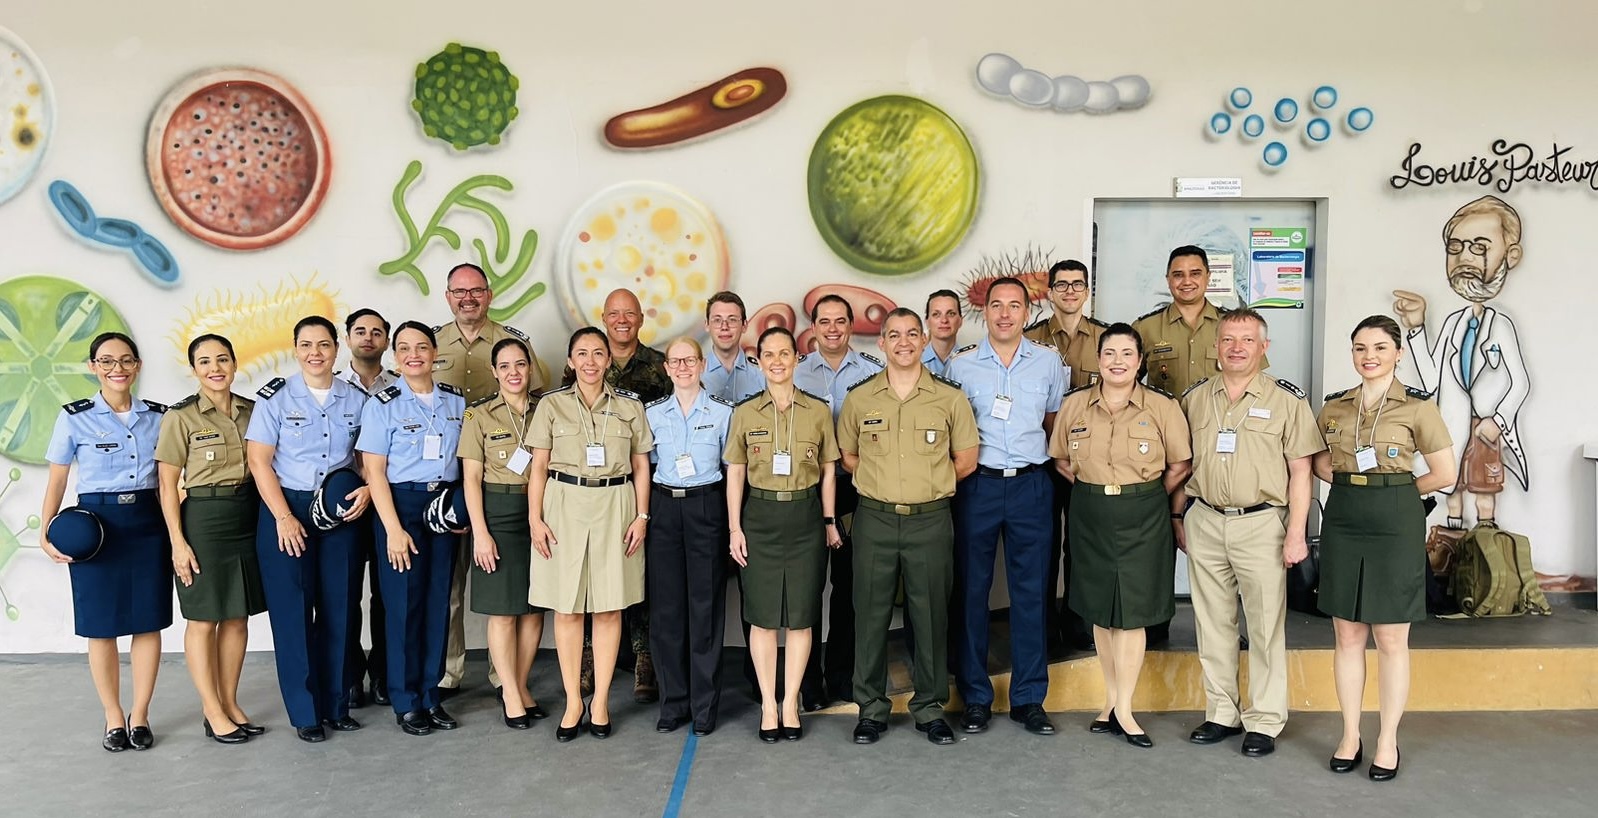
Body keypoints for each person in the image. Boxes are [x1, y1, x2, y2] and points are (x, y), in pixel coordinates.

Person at [1314, 315, 1455, 781]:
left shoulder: (1418, 408)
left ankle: (1388, 738)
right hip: (1345, 513)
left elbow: (1444, 472)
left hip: (1395, 517)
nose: (1368, 356)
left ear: (1397, 352)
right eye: (1359, 348)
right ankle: (1350, 734)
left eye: (1378, 347)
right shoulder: (1335, 407)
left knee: (1391, 638)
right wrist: (1356, 487)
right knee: (1347, 633)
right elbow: (1318, 462)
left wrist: (1397, 493)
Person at [1175, 308, 1321, 758]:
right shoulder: (1195, 398)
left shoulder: (1286, 400)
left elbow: (1302, 473)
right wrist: (1179, 517)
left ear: (1264, 347)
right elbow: (1181, 465)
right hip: (1205, 518)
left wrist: (1297, 532)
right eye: (1228, 340)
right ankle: (1221, 712)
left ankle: (1264, 719)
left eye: (1247, 339)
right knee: (1212, 621)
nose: (1236, 347)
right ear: (1216, 347)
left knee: (1263, 624)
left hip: (1261, 523)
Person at [1048, 323, 1192, 748]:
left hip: (1144, 512)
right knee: (1101, 610)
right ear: (1098, 360)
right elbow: (1060, 460)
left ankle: (1125, 709)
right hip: (1090, 511)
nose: (1117, 362)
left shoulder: (1162, 407)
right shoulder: (1075, 406)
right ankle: (1110, 702)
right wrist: (1098, 490)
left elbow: (1181, 464)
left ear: (1140, 361)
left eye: (1127, 354)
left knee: (1131, 612)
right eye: (1109, 353)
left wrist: (1145, 496)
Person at [838, 309, 978, 745]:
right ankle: (871, 708)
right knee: (870, 614)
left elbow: (966, 460)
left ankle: (930, 707)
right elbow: (849, 456)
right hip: (875, 519)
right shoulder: (860, 398)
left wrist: (926, 486)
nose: (902, 342)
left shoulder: (949, 398)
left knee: (931, 614)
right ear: (881, 343)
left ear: (922, 341)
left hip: (930, 521)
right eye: (893, 335)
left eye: (911, 334)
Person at [946, 277, 1066, 738]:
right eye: (997, 306)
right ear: (985, 312)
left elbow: (1053, 421)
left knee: (1032, 593)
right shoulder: (961, 367)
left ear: (1026, 311)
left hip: (1032, 486)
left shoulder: (1048, 363)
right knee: (972, 592)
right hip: (977, 486)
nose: (1004, 314)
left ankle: (1029, 698)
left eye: (1014, 306)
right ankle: (975, 698)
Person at [40, 332, 171, 752]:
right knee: (102, 627)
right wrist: (46, 532)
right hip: (95, 528)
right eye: (108, 361)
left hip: (149, 522)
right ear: (93, 366)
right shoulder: (74, 418)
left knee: (148, 621)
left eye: (127, 360)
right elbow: (58, 477)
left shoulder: (159, 416)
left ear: (137, 366)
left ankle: (140, 714)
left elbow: (172, 480)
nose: (118, 368)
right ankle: (114, 717)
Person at [245, 316, 372, 742]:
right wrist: (283, 517)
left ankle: (336, 705)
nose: (315, 352)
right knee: (293, 614)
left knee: (340, 609)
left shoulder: (356, 399)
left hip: (339, 511)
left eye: (323, 344)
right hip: (288, 509)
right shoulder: (276, 399)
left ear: (337, 349)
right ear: (295, 350)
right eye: (306, 345)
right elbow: (259, 461)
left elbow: (368, 457)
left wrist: (369, 489)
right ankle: (305, 712)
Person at [1133, 245, 1266, 647]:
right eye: (1178, 274)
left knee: (1226, 543)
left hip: (1218, 451)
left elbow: (1254, 379)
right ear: (1168, 279)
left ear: (1208, 277)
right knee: (1157, 540)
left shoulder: (1230, 326)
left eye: (1195, 273)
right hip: (1162, 454)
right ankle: (1154, 624)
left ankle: (1228, 631)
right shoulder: (1148, 329)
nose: (1186, 280)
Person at [527, 328, 653, 742]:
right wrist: (535, 519)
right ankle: (573, 701)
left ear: (606, 361)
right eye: (582, 353)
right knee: (566, 610)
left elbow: (640, 467)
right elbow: (539, 469)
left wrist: (641, 517)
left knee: (609, 608)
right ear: (570, 361)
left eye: (598, 353)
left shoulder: (630, 408)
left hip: (615, 505)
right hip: (563, 505)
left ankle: (599, 701)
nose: (591, 361)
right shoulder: (550, 406)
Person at [432, 262, 544, 698]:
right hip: (448, 478)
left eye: (476, 291)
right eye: (459, 292)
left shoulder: (512, 342)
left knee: (519, 594)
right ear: (448, 297)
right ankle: (450, 670)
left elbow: (539, 404)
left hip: (503, 478)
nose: (468, 298)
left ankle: (506, 678)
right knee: (452, 584)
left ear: (489, 294)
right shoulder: (433, 342)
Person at [727, 326, 843, 742]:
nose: (777, 362)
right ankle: (767, 703)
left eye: (785, 354)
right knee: (761, 618)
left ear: (797, 359)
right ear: (759, 361)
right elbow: (735, 473)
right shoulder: (744, 412)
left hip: (805, 517)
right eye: (769, 355)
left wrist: (829, 522)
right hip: (759, 517)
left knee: (800, 617)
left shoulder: (816, 410)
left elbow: (829, 470)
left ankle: (791, 701)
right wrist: (735, 527)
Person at [1391, 195, 1529, 530]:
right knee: (1451, 484)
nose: (1465, 257)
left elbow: (1520, 382)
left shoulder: (1501, 325)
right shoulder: (1454, 321)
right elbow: (1432, 379)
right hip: (1453, 424)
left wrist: (1498, 418)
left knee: (1484, 485)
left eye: (1480, 248)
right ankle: (1452, 538)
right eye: (1455, 247)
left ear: (1510, 256)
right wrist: (1417, 327)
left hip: (1485, 426)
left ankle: (1486, 541)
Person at [155, 334, 267, 745]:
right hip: (203, 520)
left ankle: (230, 701)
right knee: (204, 618)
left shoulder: (253, 412)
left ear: (235, 363)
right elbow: (167, 487)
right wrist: (178, 543)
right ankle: (211, 708)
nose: (215, 368)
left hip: (247, 514)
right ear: (194, 369)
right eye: (205, 362)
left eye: (222, 359)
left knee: (238, 615)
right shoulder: (180, 417)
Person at [357, 321, 467, 736]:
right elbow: (374, 472)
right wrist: (392, 530)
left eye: (422, 347)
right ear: (395, 356)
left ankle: (429, 693)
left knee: (439, 601)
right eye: (404, 348)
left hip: (441, 507)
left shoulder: (456, 402)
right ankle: (405, 700)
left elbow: (465, 462)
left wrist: (460, 512)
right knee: (404, 606)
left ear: (435, 352)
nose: (414, 354)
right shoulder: (383, 404)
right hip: (400, 506)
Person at [793, 293, 882, 708]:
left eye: (840, 321)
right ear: (813, 328)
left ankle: (844, 676)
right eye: (823, 321)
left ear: (851, 326)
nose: (832, 329)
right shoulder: (794, 374)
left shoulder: (873, 373)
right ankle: (808, 684)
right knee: (808, 588)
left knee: (849, 588)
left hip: (853, 489)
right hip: (808, 492)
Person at [644, 337, 735, 736]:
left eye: (689, 360)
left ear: (702, 365)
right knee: (666, 611)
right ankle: (673, 703)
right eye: (674, 361)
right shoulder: (652, 414)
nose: (682, 367)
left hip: (705, 507)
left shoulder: (721, 413)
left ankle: (704, 706)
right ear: (666, 368)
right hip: (665, 508)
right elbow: (643, 467)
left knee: (705, 609)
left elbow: (734, 469)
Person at [460, 337, 549, 730]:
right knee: (503, 611)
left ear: (530, 369)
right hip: (497, 512)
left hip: (542, 512)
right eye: (505, 366)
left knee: (533, 609)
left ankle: (522, 683)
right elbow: (471, 479)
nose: (514, 373)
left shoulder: (547, 409)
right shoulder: (478, 415)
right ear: (494, 372)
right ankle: (509, 692)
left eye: (520, 365)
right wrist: (480, 532)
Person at [1024, 259, 1107, 655]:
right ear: (1050, 292)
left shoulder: (1106, 339)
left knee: (1082, 546)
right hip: (1040, 459)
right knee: (1042, 547)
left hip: (1087, 464)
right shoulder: (1029, 339)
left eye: (1078, 284)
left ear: (1087, 290)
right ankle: (1044, 630)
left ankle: (1078, 624)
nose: (1070, 291)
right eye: (1062, 285)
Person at [597, 288, 670, 702]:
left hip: (643, 482)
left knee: (638, 568)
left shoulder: (659, 366)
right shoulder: (584, 361)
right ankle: (589, 656)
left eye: (630, 313)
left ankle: (644, 659)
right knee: (593, 570)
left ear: (641, 319)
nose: (622, 320)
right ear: (604, 317)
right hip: (593, 485)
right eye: (614, 313)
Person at [339, 307, 396, 709]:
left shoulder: (400, 387)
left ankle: (384, 673)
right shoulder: (330, 384)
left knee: (386, 594)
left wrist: (376, 490)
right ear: (347, 339)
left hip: (387, 500)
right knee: (343, 594)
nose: (368, 338)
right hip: (343, 504)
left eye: (377, 332)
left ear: (386, 341)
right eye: (361, 331)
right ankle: (348, 675)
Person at [703, 291, 766, 402]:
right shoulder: (693, 373)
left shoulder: (763, 373)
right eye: (717, 320)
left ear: (744, 326)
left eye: (732, 320)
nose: (724, 327)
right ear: (707, 325)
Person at [922, 289, 967, 377]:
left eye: (951, 314)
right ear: (927, 321)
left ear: (960, 321)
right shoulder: (913, 362)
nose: (944, 320)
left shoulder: (972, 362)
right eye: (936, 314)